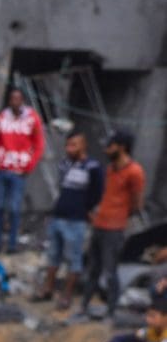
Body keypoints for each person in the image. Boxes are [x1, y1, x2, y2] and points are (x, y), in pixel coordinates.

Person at [80, 130, 147, 320]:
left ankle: (111, 311)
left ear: (122, 147)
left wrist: (120, 217)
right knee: (94, 268)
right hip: (100, 224)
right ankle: (84, 306)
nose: (106, 149)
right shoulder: (110, 169)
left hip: (115, 229)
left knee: (110, 271)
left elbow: (137, 202)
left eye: (111, 146)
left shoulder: (134, 172)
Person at [34, 131, 103, 310]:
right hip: (59, 216)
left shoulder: (92, 167)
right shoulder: (64, 164)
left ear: (83, 145)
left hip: (76, 220)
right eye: (67, 145)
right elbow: (62, 187)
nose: (69, 149)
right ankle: (48, 288)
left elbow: (97, 193)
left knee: (74, 258)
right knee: (53, 255)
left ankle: (67, 295)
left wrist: (86, 209)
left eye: (73, 145)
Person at [0, 86, 46, 255]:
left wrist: (29, 165)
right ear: (9, 100)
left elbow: (39, 145)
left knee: (14, 209)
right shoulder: (1, 118)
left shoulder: (32, 119)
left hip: (19, 171)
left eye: (18, 98)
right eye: (12, 98)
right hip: (2, 169)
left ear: (23, 100)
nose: (15, 101)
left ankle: (12, 244)